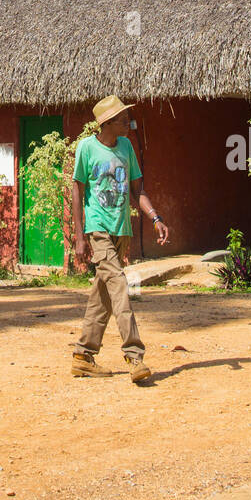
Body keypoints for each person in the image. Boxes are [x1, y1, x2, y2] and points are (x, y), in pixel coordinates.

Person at [71, 94, 170, 382]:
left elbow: (137, 190)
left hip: (121, 230)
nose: (129, 123)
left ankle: (83, 355)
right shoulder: (87, 148)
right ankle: (134, 355)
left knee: (102, 294)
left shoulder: (126, 147)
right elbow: (77, 190)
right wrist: (80, 236)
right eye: (123, 119)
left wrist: (155, 218)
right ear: (108, 123)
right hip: (98, 230)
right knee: (119, 287)